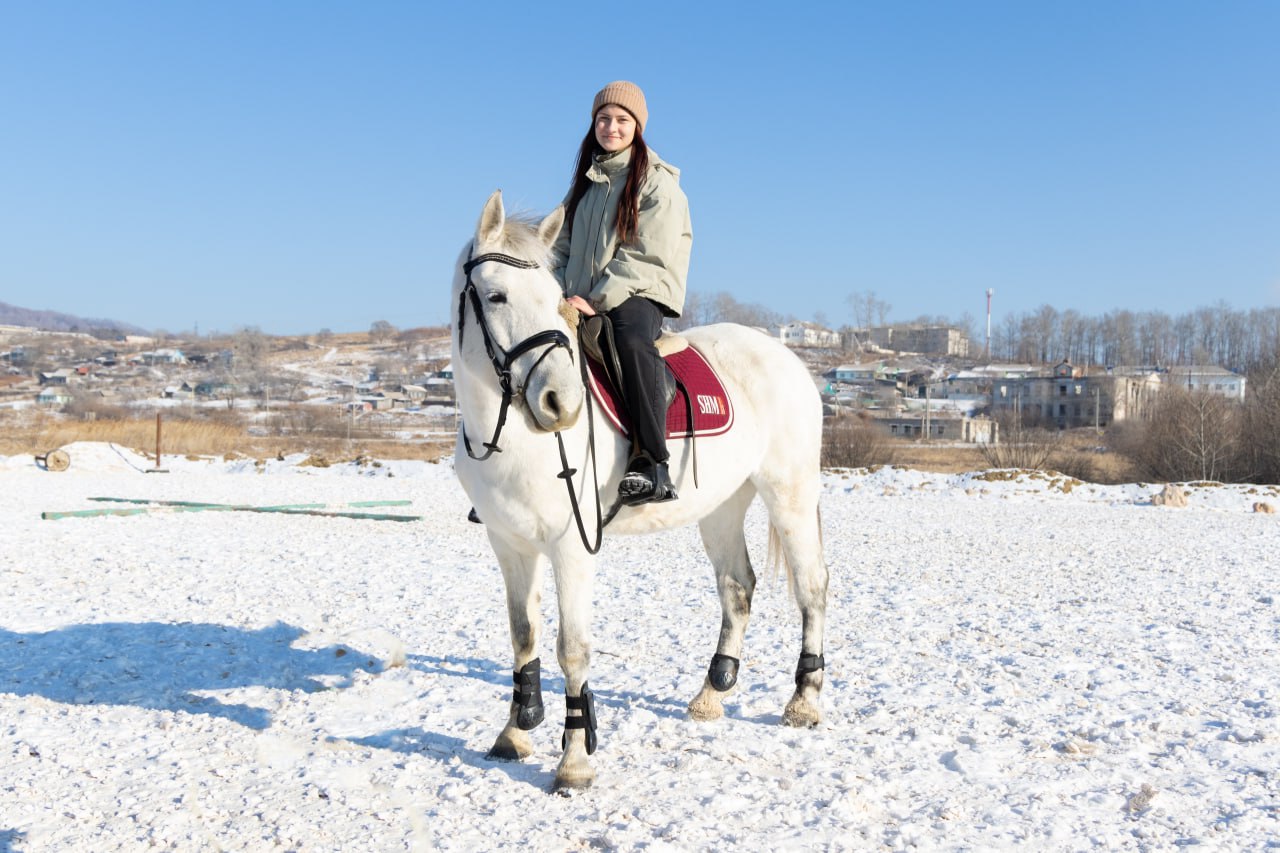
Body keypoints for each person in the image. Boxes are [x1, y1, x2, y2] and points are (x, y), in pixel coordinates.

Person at [550, 80, 693, 505]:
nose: (611, 127)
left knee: (630, 340)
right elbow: (558, 244)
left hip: (640, 292)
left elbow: (646, 255)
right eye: (603, 118)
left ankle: (652, 462)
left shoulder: (657, 184)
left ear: (638, 127)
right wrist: (553, 287)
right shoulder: (585, 184)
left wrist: (594, 300)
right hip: (580, 295)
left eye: (622, 120)